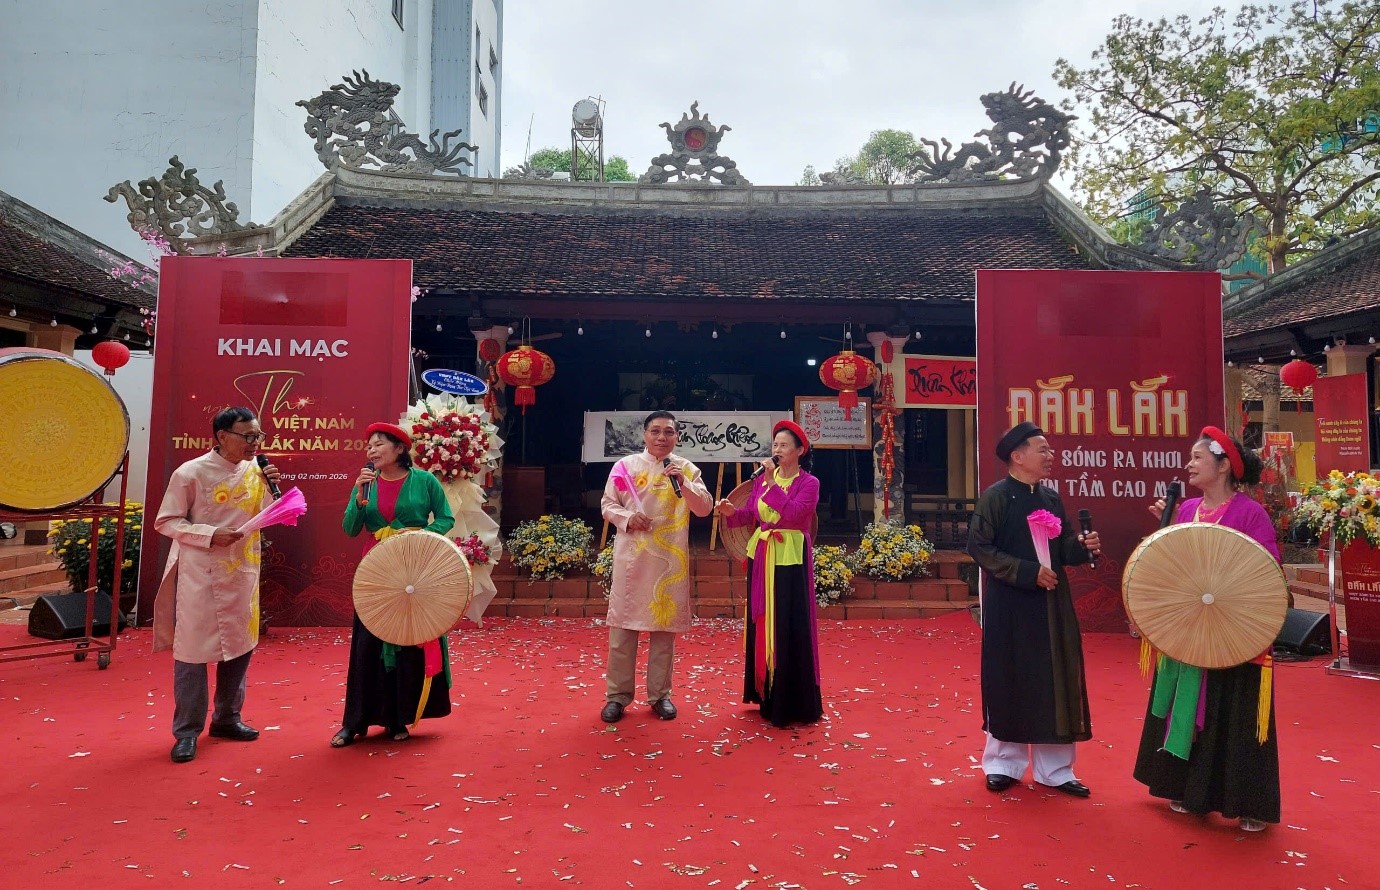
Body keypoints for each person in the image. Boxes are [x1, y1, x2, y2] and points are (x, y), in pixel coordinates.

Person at [1134, 427, 1281, 832]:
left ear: (1224, 466)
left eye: (1198, 458)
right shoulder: (1185, 510)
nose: (1190, 464)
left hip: (1233, 631)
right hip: (1190, 628)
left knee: (1232, 710)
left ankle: (1246, 801)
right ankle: (1188, 789)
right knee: (1188, 700)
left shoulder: (1250, 514)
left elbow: (1267, 572)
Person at [967, 421, 1101, 796]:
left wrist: (1081, 546)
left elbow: (1062, 550)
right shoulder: (995, 497)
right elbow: (979, 547)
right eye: (1042, 449)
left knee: (1054, 677)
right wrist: (1028, 572)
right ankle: (1003, 764)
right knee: (1008, 676)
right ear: (1017, 456)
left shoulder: (1051, 499)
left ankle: (1055, 769)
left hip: (1050, 605)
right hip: (1010, 604)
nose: (1050, 455)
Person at [153, 406, 280, 764]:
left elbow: (264, 514)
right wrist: (209, 534)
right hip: (200, 572)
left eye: (258, 436)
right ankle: (186, 731)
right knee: (192, 653)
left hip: (242, 569)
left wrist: (273, 490)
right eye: (248, 436)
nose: (255, 443)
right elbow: (166, 521)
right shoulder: (190, 472)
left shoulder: (256, 471)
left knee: (240, 646)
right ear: (222, 436)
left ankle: (227, 718)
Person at [333, 422, 456, 746]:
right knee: (368, 644)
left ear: (400, 448)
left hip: (414, 567)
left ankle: (398, 717)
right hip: (376, 571)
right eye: (369, 446)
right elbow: (350, 529)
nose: (371, 451)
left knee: (407, 642)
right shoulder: (366, 484)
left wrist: (416, 535)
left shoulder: (425, 481)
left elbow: (446, 518)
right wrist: (358, 498)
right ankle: (355, 722)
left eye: (378, 444)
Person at [598, 410, 713, 723]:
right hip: (632, 559)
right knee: (622, 632)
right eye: (656, 431)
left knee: (664, 633)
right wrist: (627, 518)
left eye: (669, 432)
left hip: (668, 563)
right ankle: (617, 696)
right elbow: (608, 504)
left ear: (677, 436)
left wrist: (684, 483)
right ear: (645, 434)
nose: (662, 437)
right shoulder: (625, 466)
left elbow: (704, 508)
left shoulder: (686, 468)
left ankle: (660, 695)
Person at [715, 420, 823, 727]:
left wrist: (772, 483)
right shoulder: (762, 482)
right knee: (762, 621)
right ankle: (766, 693)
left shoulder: (809, 483)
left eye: (784, 445)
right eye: (775, 445)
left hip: (790, 557)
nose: (777, 450)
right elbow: (752, 515)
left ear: (800, 451)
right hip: (762, 554)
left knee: (788, 621)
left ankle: (792, 700)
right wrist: (731, 513)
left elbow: (794, 515)